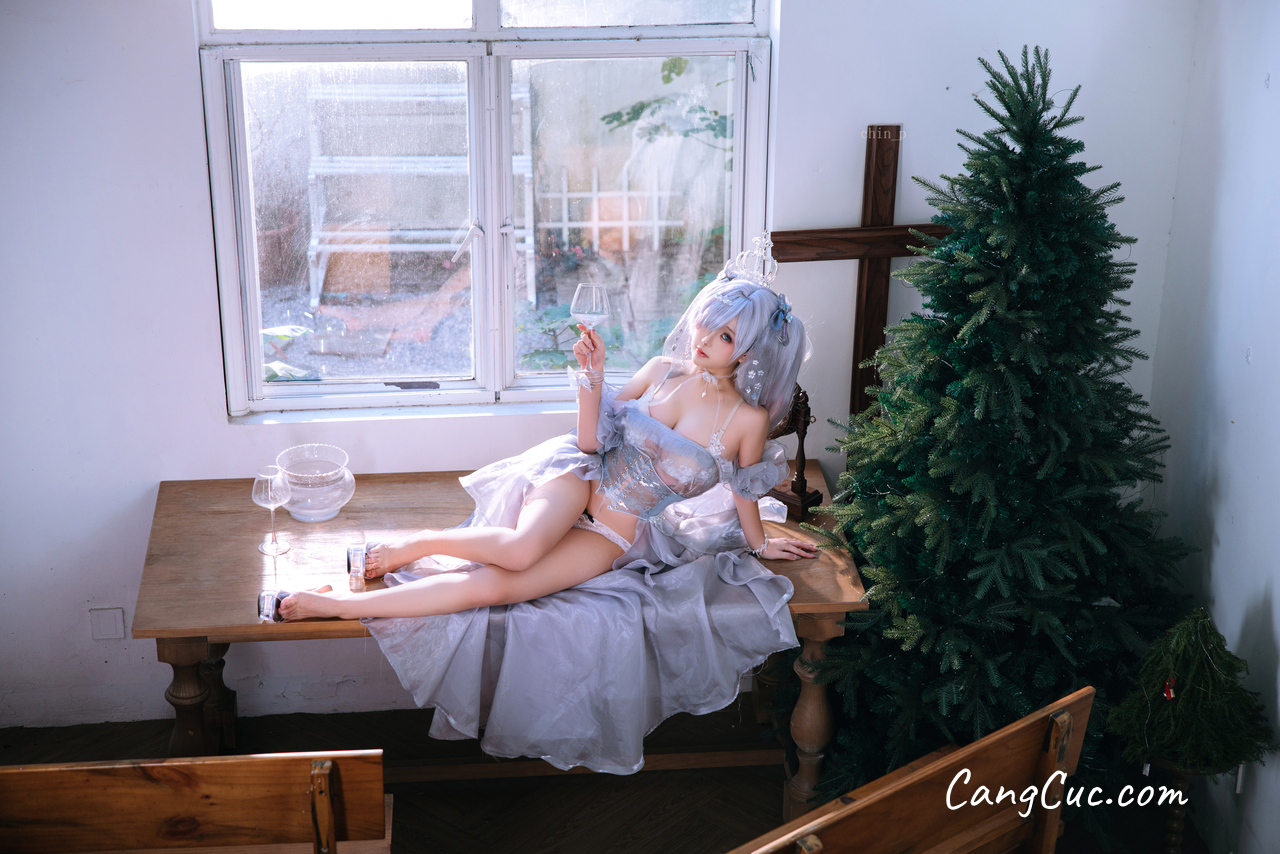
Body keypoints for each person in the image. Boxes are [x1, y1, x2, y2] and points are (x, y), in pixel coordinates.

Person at [280, 234, 820, 774]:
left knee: (497, 589)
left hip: (615, 533)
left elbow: (744, 494)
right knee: (519, 550)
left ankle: (338, 604)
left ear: (747, 351)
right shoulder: (662, 370)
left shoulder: (748, 421)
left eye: (725, 335)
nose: (703, 338)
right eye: (708, 322)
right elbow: (591, 441)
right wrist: (593, 377)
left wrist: (760, 545)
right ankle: (417, 545)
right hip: (580, 478)